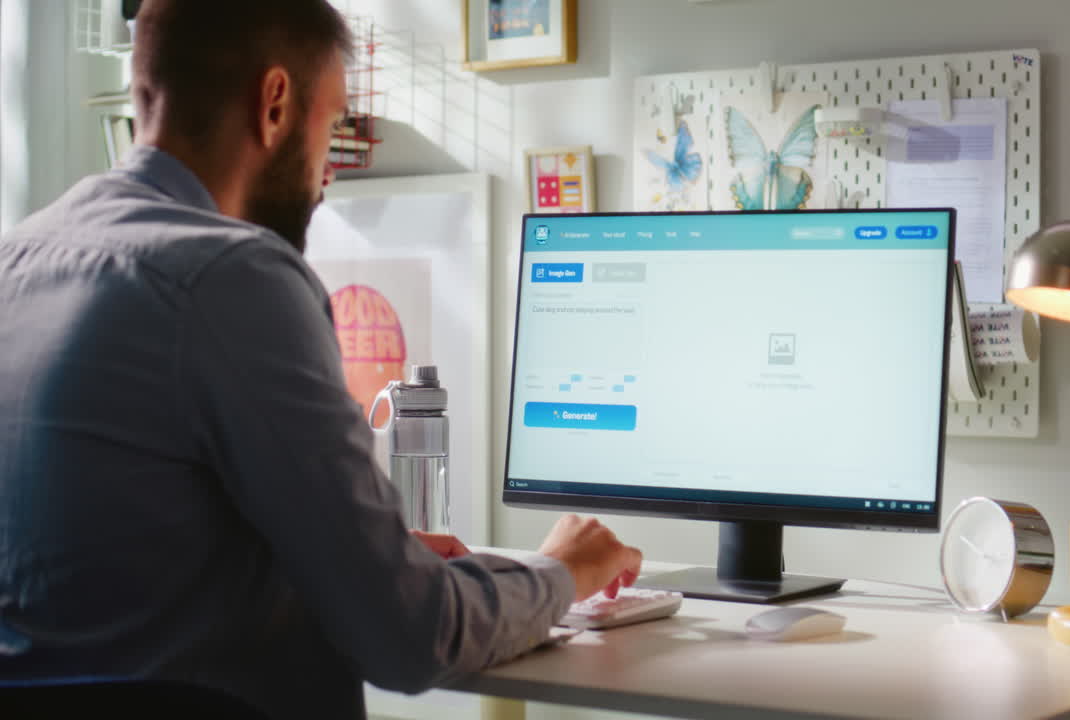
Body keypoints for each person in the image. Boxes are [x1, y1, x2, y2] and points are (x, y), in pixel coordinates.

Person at [0, 1, 642, 718]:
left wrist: (362, 554)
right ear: (275, 104)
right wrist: (557, 572)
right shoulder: (233, 276)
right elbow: (409, 636)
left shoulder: (17, 260)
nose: (329, 171)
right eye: (334, 125)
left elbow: (125, 580)